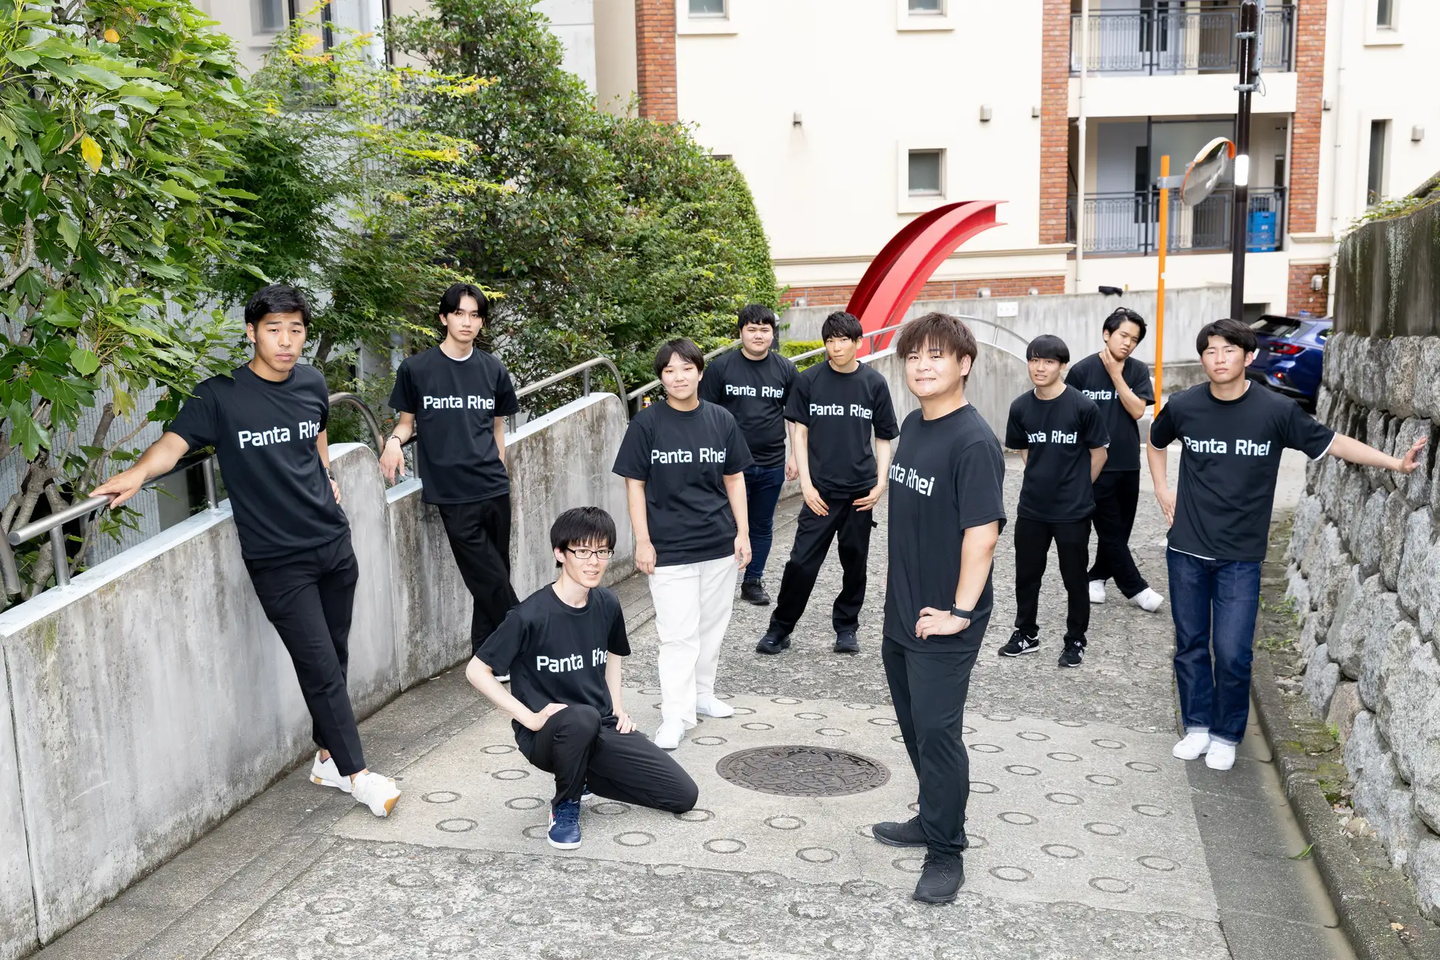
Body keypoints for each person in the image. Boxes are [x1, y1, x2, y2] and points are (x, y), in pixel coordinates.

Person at [91, 284, 401, 817]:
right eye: (274, 330)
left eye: (295, 330)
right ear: (252, 332)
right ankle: (359, 776)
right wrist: (138, 473)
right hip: (278, 560)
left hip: (333, 543)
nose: (286, 341)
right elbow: (172, 445)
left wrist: (326, 473)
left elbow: (317, 431)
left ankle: (327, 757)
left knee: (334, 655)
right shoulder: (220, 396)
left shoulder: (311, 381)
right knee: (321, 667)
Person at [1149, 318, 1425, 772]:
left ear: (1249, 356)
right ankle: (1197, 726)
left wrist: (1395, 463)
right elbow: (1156, 442)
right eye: (1210, 351)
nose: (1219, 358)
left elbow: (1333, 443)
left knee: (1233, 651)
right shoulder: (1183, 406)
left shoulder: (1275, 411)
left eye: (1228, 350)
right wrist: (1162, 488)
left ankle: (1226, 734)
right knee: (1191, 644)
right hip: (1187, 550)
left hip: (1240, 556)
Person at [871, 312, 1006, 905]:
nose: (922, 366)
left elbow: (983, 536)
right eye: (913, 356)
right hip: (904, 613)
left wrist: (959, 613)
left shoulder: (973, 442)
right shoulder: (913, 425)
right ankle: (932, 816)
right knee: (914, 727)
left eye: (936, 355)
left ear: (964, 363)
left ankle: (947, 850)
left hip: (946, 620)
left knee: (938, 733)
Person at [469, 507, 699, 850]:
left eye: (602, 551)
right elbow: (476, 671)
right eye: (583, 551)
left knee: (682, 795)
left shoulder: (607, 603)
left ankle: (583, 772)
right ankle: (566, 802)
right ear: (560, 554)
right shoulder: (529, 616)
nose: (594, 562)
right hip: (547, 735)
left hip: (600, 727)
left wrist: (618, 707)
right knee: (581, 717)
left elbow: (614, 654)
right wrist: (530, 718)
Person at [613, 339, 752, 750]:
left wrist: (742, 533)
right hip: (669, 549)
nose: (678, 377)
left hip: (718, 543)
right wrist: (642, 541)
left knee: (711, 627)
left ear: (700, 372)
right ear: (661, 378)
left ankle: (702, 694)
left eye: (686, 368)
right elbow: (634, 486)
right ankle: (675, 715)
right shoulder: (646, 424)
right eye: (669, 370)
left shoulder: (721, 419)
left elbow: (734, 479)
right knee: (677, 635)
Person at [380, 283, 520, 667]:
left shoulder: (493, 369)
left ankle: (488, 659)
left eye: (475, 315)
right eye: (459, 313)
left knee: (493, 576)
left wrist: (500, 469)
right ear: (444, 318)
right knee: (490, 578)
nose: (467, 322)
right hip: (452, 493)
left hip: (493, 487)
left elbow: (497, 428)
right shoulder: (416, 369)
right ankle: (533, 636)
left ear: (482, 322)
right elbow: (406, 423)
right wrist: (394, 441)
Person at [756, 311, 899, 656]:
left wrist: (881, 483)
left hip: (860, 493)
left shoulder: (874, 383)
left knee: (855, 564)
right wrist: (806, 486)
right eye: (830, 341)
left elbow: (883, 437)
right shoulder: (809, 380)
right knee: (800, 564)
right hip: (819, 493)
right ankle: (780, 628)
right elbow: (799, 434)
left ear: (857, 342)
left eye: (843, 340)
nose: (836, 347)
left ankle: (847, 627)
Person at [1002, 335, 1110, 667]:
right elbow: (1025, 450)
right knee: (1026, 576)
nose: (1040, 367)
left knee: (1074, 579)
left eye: (1048, 361)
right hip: (1032, 508)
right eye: (1034, 360)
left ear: (1062, 366)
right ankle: (1026, 634)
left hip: (1072, 512)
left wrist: (1077, 488)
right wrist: (1043, 478)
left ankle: (1076, 639)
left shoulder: (1082, 406)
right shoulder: (1020, 407)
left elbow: (1099, 453)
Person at [1064, 307, 1165, 612]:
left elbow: (1137, 410)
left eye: (1134, 339)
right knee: (1109, 528)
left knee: (1120, 532)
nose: (1128, 343)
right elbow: (1070, 418)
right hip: (1095, 465)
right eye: (1123, 335)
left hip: (1128, 463)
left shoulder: (1136, 370)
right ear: (1107, 334)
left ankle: (1095, 577)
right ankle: (1137, 588)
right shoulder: (1082, 371)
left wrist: (1116, 377)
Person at [700, 304, 799, 606]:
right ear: (741, 332)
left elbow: (795, 416)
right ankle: (717, 582)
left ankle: (752, 581)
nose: (758, 335)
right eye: (752, 329)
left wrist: (795, 456)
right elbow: (704, 415)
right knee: (724, 524)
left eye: (764, 329)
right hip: (729, 467)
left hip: (771, 462)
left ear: (772, 333)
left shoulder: (786, 369)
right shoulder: (721, 368)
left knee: (761, 524)